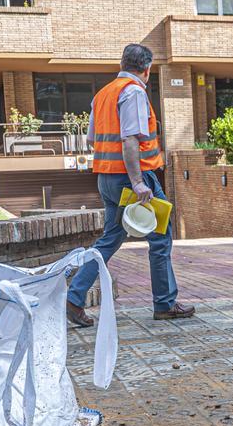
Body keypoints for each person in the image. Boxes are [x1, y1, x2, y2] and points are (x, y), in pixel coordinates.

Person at [65, 43, 195, 325]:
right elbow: (130, 139)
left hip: (106, 177)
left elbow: (91, 139)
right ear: (146, 70)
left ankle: (74, 298)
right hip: (132, 177)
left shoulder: (102, 94)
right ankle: (165, 303)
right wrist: (138, 182)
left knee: (110, 238)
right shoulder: (133, 92)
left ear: (122, 64)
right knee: (160, 236)